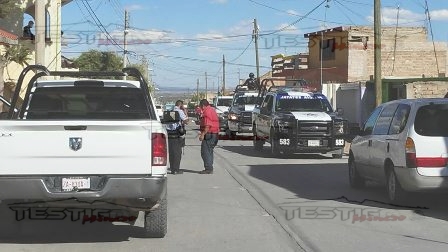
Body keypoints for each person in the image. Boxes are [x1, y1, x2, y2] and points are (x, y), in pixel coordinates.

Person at [166, 100, 189, 175]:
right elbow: (186, 121)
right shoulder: (179, 111)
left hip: (169, 134)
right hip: (176, 134)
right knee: (177, 153)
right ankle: (176, 169)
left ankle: (172, 168)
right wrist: (185, 112)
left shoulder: (170, 111)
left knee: (171, 152)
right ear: (181, 105)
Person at [198, 99, 219, 174]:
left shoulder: (207, 111)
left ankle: (208, 168)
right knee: (209, 151)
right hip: (214, 134)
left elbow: (208, 125)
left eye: (200, 106)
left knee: (205, 152)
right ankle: (209, 167)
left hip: (210, 134)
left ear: (203, 106)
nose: (200, 108)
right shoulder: (212, 109)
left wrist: (202, 134)